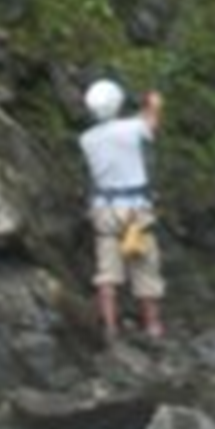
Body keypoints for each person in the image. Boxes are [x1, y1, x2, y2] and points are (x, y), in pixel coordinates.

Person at [77, 78, 165, 343]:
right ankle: (152, 327)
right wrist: (154, 104)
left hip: (104, 209)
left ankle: (111, 328)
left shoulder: (86, 139)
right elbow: (150, 125)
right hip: (135, 209)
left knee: (107, 270)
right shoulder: (132, 128)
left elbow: (125, 129)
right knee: (145, 265)